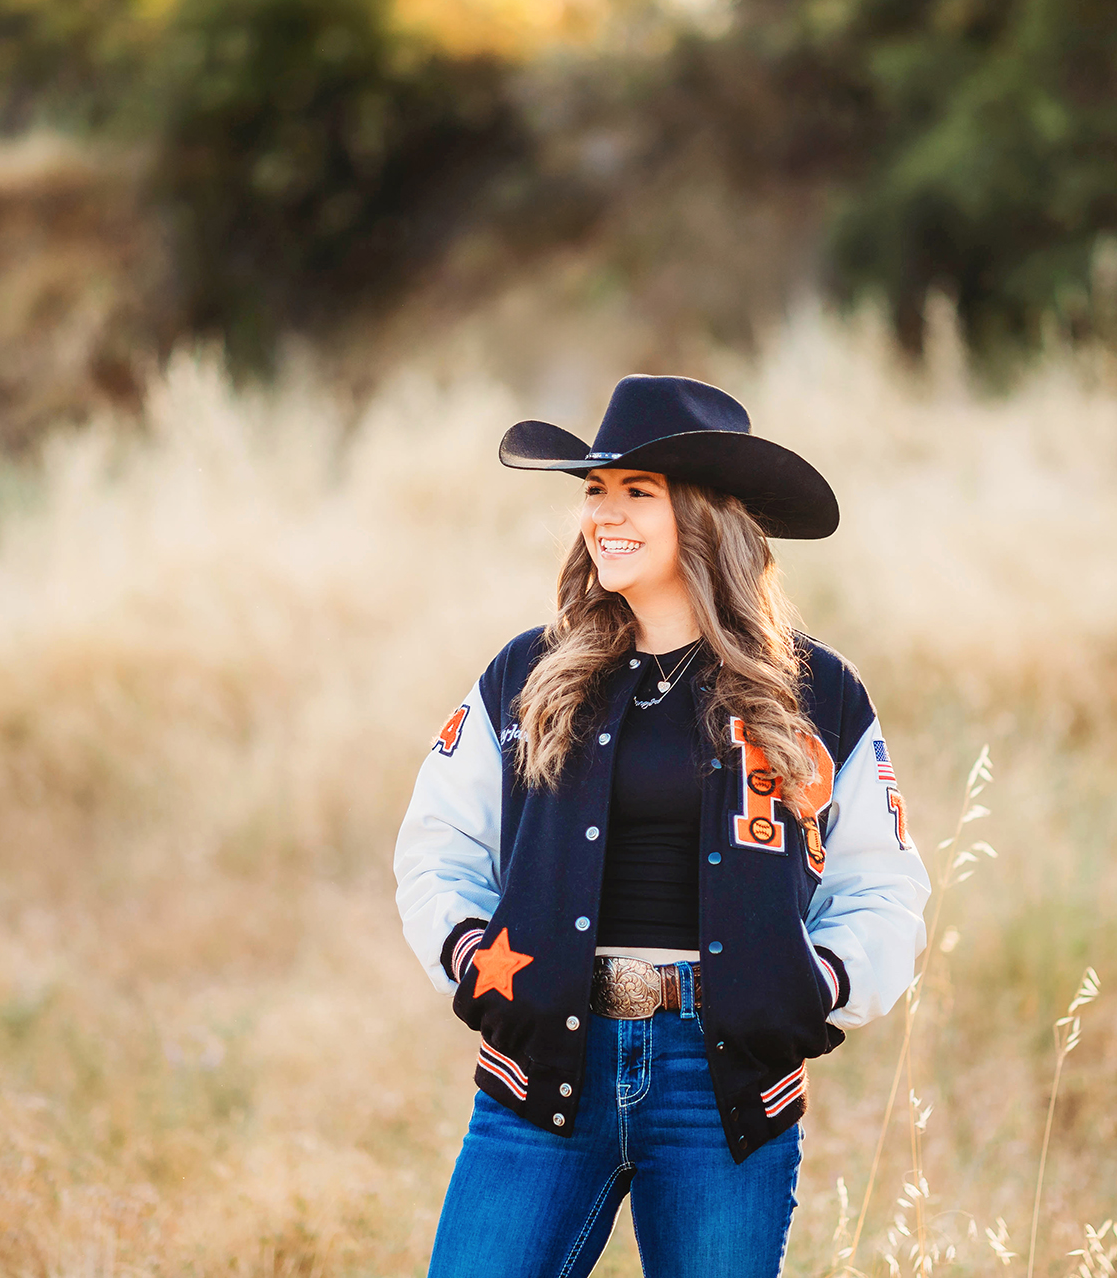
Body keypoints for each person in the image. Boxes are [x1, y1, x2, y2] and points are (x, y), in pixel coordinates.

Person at [394, 374, 930, 1278]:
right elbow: (438, 842)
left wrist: (820, 981)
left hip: (723, 1089)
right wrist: (467, 956)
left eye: (636, 492)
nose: (604, 514)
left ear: (707, 515)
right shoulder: (527, 674)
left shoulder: (815, 691)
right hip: (542, 1072)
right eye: (595, 492)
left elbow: (882, 882)